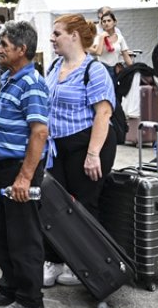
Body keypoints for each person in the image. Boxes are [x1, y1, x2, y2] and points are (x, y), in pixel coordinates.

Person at [0, 21, 50, 308]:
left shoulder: (32, 83)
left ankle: (30, 298)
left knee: (23, 235)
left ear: (22, 50)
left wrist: (24, 177)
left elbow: (39, 132)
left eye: (5, 45)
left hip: (19, 169)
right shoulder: (12, 77)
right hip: (3, 167)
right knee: (0, 232)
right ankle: (9, 286)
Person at [43, 14, 117, 287]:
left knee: (84, 206)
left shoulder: (93, 70)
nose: (52, 38)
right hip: (57, 147)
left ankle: (85, 263)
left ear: (74, 35)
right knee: (53, 205)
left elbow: (103, 114)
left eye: (57, 33)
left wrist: (93, 154)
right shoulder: (54, 66)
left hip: (86, 144)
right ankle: (55, 260)